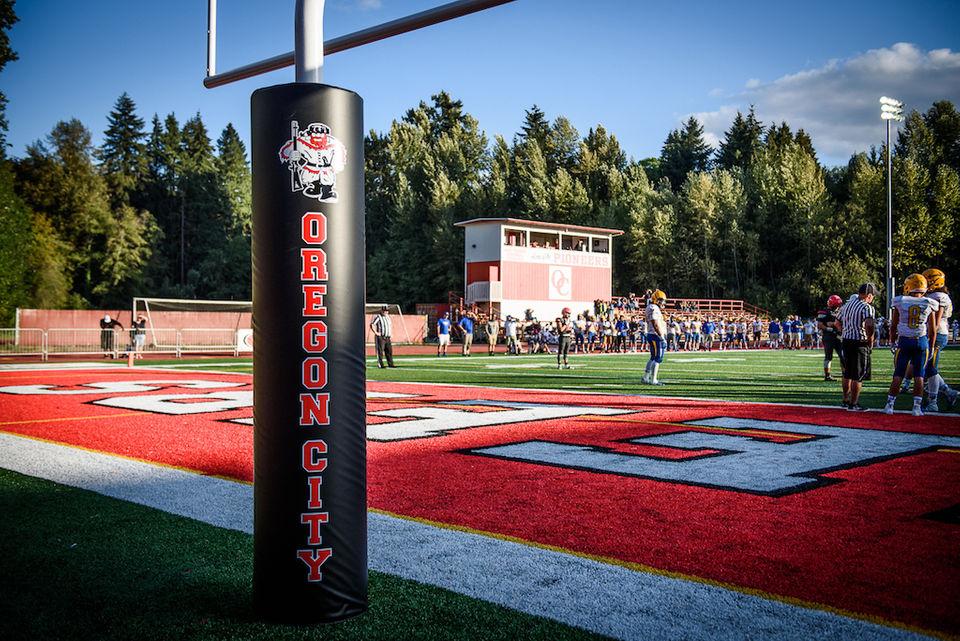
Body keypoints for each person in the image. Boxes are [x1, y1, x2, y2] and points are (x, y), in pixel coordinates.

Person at [884, 274, 938, 416]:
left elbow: (893, 325)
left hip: (904, 341)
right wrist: (931, 346)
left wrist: (892, 341)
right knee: (919, 375)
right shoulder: (929, 302)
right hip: (921, 341)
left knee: (898, 374)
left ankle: (890, 405)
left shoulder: (900, 301)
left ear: (908, 286)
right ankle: (916, 408)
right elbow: (933, 330)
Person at [922, 268, 959, 412]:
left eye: (928, 280)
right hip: (936, 333)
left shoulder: (938, 296)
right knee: (927, 368)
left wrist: (930, 337)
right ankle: (948, 392)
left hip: (936, 334)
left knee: (930, 368)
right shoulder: (938, 295)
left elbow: (935, 323)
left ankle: (933, 402)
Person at [838, 283, 877, 411]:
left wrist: (845, 331)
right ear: (869, 295)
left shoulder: (847, 305)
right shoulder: (866, 307)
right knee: (857, 375)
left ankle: (845, 399)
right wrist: (870, 339)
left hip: (846, 340)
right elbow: (869, 324)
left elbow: (837, 322)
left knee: (847, 373)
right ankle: (853, 403)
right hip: (859, 342)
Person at [642, 290, 668, 385]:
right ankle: (653, 379)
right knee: (658, 358)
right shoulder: (654, 308)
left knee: (653, 357)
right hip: (655, 335)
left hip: (652, 334)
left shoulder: (650, 307)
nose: (663, 303)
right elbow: (655, 323)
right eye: (661, 300)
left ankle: (646, 377)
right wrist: (661, 336)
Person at [816, 295, 844, 381]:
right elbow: (820, 325)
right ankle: (827, 375)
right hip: (828, 336)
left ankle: (845, 374)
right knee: (828, 356)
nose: (838, 306)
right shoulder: (824, 311)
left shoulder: (840, 311)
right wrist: (830, 329)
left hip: (838, 336)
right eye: (837, 304)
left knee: (843, 356)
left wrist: (833, 324)